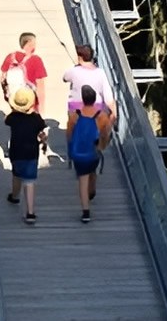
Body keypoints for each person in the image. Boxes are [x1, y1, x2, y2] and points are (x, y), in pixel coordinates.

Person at [67, 85, 113, 223]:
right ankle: (92, 191)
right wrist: (102, 146)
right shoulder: (102, 116)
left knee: (83, 180)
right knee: (92, 171)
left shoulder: (75, 116)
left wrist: (70, 150)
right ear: (94, 100)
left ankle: (86, 211)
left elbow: (69, 134)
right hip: (94, 152)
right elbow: (105, 134)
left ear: (83, 99)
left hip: (79, 153)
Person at [4, 86, 46, 225]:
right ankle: (30, 212)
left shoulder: (13, 118)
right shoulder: (36, 119)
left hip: (16, 151)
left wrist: (15, 109)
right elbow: (42, 131)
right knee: (29, 181)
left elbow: (6, 120)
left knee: (16, 174)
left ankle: (15, 196)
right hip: (31, 153)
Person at [62, 44, 116, 122]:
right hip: (95, 108)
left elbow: (65, 78)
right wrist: (113, 112)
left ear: (80, 57)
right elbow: (108, 95)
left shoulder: (74, 71)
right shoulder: (100, 72)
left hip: (77, 107)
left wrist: (75, 67)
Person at [0, 32, 47, 114]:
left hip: (14, 99)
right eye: (34, 43)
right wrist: (41, 108)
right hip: (30, 101)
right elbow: (40, 86)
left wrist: (7, 95)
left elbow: (2, 78)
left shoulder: (10, 57)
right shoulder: (36, 60)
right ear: (29, 43)